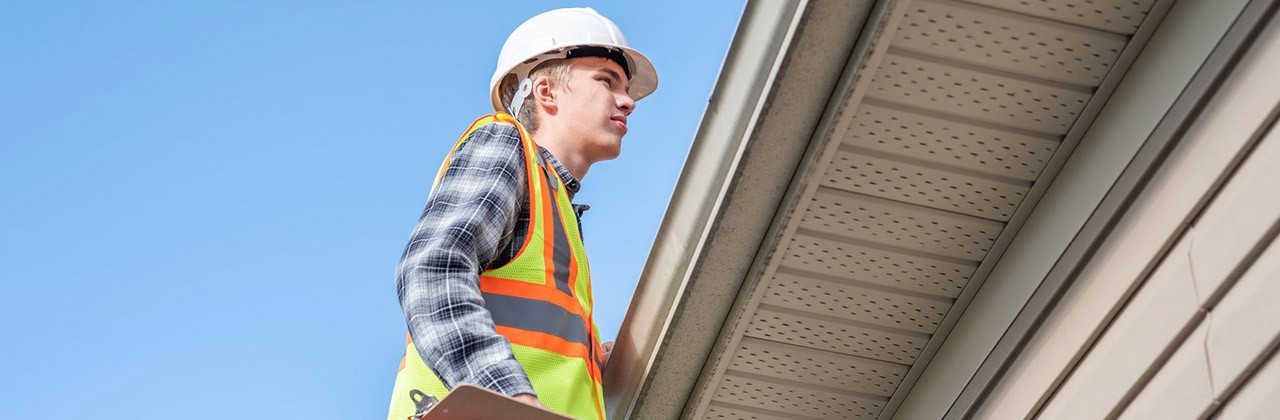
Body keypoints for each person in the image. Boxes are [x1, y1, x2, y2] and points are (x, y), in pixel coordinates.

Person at [385, 7, 658, 420]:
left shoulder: (558, 210)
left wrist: (592, 366)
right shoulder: (504, 142)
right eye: (607, 81)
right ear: (546, 93)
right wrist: (507, 399)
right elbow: (433, 269)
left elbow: (534, 339)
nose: (627, 101)